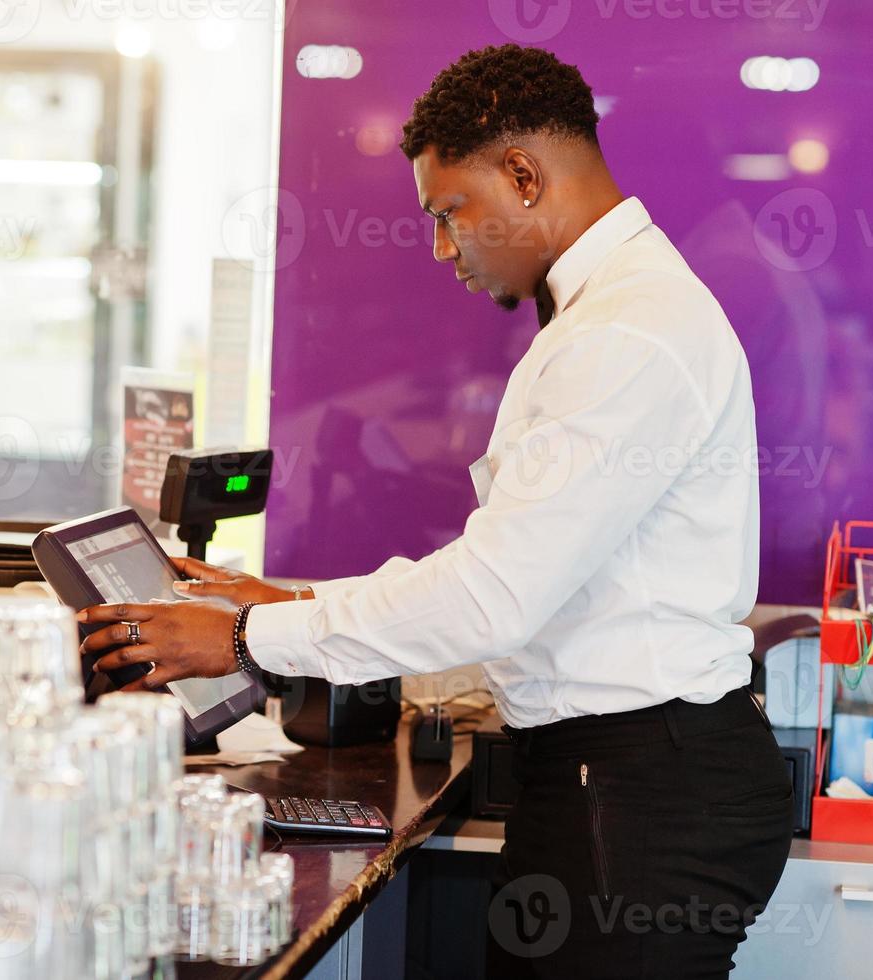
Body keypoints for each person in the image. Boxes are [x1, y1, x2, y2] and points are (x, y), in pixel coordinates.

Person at [81, 44, 793, 978]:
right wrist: (281, 596)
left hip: (635, 790)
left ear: (525, 175)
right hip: (611, 776)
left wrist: (248, 637)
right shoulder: (612, 314)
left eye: (450, 212)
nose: (442, 249)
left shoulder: (627, 330)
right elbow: (517, 573)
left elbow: (492, 595)